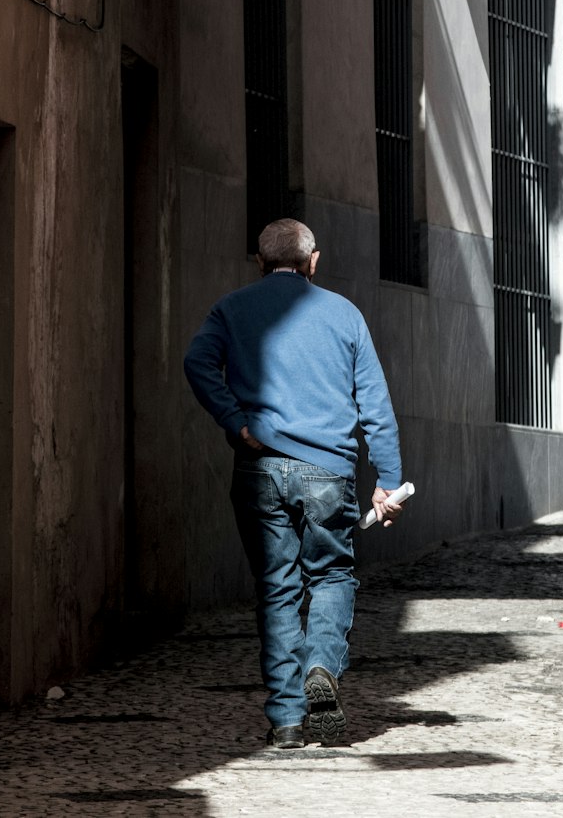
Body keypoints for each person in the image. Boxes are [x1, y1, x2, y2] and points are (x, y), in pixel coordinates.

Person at [183, 217, 403, 750]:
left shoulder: (231, 308)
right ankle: (322, 668)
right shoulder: (345, 315)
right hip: (327, 469)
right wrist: (389, 480)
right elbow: (375, 405)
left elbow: (197, 362)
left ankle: (286, 719)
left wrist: (235, 420)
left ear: (259, 262)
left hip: (259, 467)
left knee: (277, 590)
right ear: (314, 261)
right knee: (330, 577)